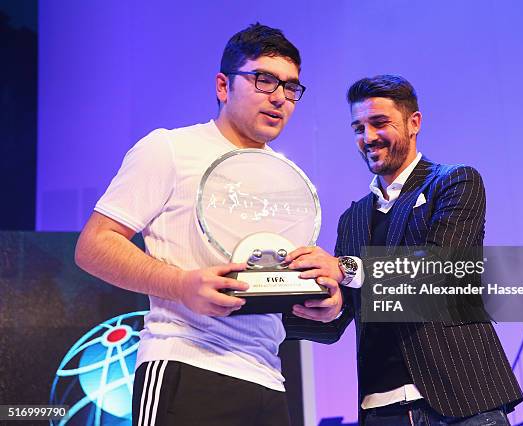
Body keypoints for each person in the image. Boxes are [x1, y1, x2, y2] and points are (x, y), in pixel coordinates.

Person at [75, 23, 342, 426]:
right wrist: (181, 285)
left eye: (290, 88)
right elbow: (94, 245)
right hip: (184, 363)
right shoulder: (169, 149)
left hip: (267, 377)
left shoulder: (285, 177)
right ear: (223, 86)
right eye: (264, 80)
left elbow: (268, 284)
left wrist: (322, 296)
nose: (280, 98)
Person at [283, 75, 523, 425]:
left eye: (379, 123)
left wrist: (345, 268)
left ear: (414, 123)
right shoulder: (352, 218)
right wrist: (268, 307)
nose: (368, 137)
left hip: (463, 402)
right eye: (358, 128)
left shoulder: (455, 182)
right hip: (380, 409)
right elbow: (338, 318)